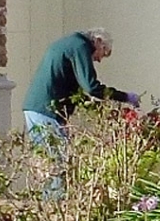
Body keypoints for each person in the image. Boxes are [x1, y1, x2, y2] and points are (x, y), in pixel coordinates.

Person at [22, 28, 140, 156]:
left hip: (38, 107)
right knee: (57, 163)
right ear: (98, 41)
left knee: (47, 161)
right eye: (104, 53)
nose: (99, 60)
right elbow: (91, 87)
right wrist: (125, 97)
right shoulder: (80, 46)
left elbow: (75, 89)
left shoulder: (70, 43)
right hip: (46, 111)